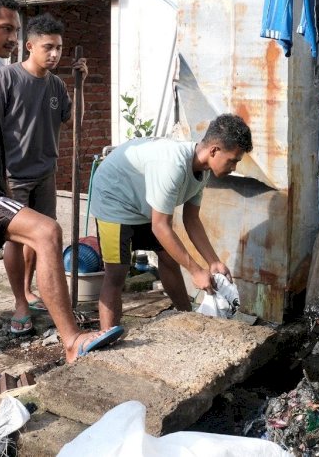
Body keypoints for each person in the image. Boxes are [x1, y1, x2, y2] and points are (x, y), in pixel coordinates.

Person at [0, 0, 122, 392]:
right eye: (5, 29)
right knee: (47, 232)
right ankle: (71, 341)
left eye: (16, 30)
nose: (12, 39)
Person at [90, 114, 252, 331]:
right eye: (233, 160)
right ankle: (107, 338)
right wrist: (195, 271)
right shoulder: (173, 165)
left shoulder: (202, 171)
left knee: (168, 258)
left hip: (143, 202)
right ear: (214, 150)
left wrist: (213, 261)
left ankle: (188, 319)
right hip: (114, 198)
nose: (234, 167)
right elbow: (160, 226)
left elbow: (191, 219)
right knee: (116, 273)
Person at [0, 13, 86, 335]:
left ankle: (31, 290)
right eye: (48, 47)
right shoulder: (6, 78)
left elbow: (72, 122)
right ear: (29, 46)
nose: (55, 54)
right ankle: (20, 301)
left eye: (59, 48)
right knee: (16, 241)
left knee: (40, 239)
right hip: (12, 176)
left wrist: (81, 85)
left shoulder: (58, 84)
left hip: (46, 172)